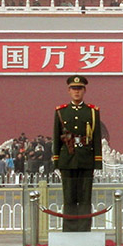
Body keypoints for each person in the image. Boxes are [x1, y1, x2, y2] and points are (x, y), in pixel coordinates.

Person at [52, 74, 102, 232]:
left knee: (85, 197)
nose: (76, 92)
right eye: (73, 89)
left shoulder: (92, 112)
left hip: (86, 159)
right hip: (67, 159)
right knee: (69, 197)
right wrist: (56, 160)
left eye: (79, 88)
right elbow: (56, 136)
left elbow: (96, 137)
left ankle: (84, 228)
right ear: (68, 91)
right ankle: (69, 229)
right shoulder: (61, 112)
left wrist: (97, 161)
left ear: (84, 90)